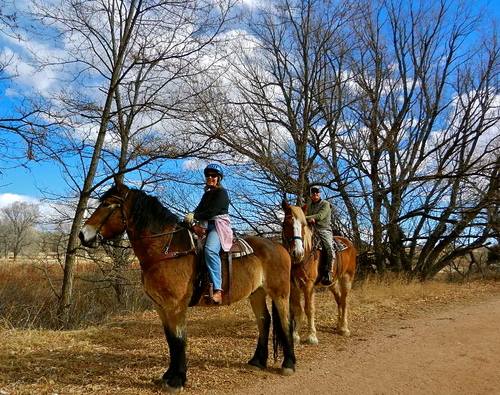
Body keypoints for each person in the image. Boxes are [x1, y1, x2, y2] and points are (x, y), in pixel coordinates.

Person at [184, 164, 232, 305]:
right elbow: (199, 209)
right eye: (208, 175)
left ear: (219, 178)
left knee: (210, 250)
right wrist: (191, 219)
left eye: (214, 175)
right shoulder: (206, 194)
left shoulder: (221, 193)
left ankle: (218, 290)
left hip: (218, 226)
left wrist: (195, 215)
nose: (210, 178)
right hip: (206, 226)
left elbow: (211, 212)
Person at [305, 185, 335, 286]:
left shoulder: (325, 204)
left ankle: (328, 271)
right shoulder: (308, 205)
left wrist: (304, 217)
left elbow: (320, 216)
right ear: (311, 194)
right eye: (313, 192)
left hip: (323, 230)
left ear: (320, 193)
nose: (315, 194)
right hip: (310, 229)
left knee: (329, 247)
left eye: (317, 192)